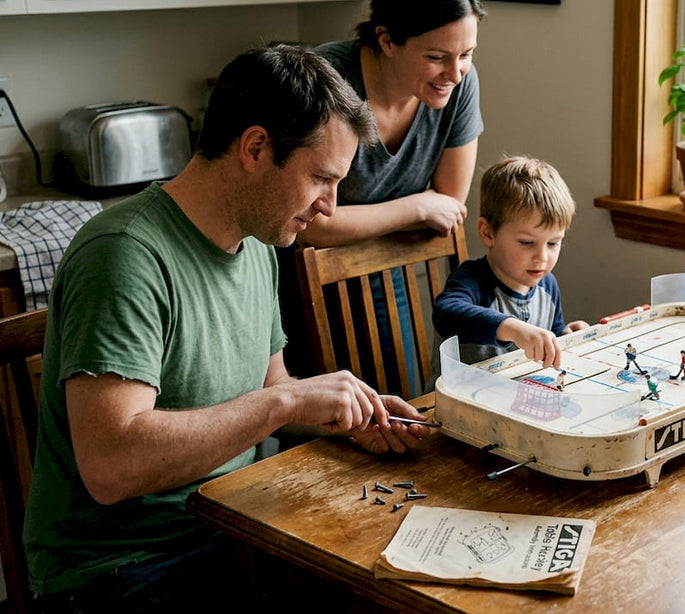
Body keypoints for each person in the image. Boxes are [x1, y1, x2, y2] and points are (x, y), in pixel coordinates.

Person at [23, 45, 431, 612]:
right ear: (256, 148)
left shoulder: (257, 245)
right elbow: (112, 466)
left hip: (231, 525)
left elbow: (267, 391)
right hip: (122, 570)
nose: (330, 208)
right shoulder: (124, 256)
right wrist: (287, 402)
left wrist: (341, 419)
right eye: (320, 178)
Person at [277, 0, 487, 392]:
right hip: (294, 278)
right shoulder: (326, 80)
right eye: (436, 56)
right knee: (316, 417)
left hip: (386, 270)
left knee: (399, 405)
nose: (455, 73)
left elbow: (451, 207)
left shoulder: (459, 85)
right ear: (387, 40)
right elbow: (312, 224)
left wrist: (358, 224)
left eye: (466, 54)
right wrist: (417, 206)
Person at [432, 155, 588, 368]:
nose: (542, 257)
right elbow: (447, 313)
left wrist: (565, 337)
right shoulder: (471, 279)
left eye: (553, 243)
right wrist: (513, 328)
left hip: (514, 394)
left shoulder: (548, 285)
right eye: (526, 242)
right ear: (487, 233)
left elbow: (552, 331)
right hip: (458, 397)